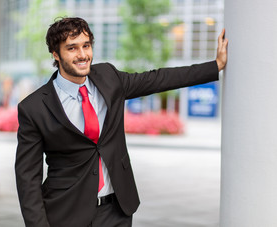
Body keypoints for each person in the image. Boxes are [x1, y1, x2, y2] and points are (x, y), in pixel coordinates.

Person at [15, 17, 228, 227]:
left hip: (116, 211)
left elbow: (157, 78)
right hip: (66, 213)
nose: (82, 55)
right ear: (56, 54)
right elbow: (28, 179)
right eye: (72, 48)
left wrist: (215, 65)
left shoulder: (108, 77)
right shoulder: (34, 108)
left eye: (86, 46)